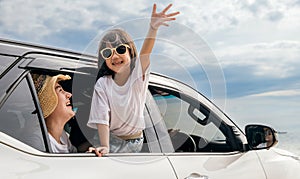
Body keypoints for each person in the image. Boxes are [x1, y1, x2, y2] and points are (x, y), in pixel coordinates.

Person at [87, 3, 179, 156]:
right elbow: (101, 116)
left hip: (134, 141)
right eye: (107, 53)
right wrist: (105, 146)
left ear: (130, 51)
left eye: (120, 49)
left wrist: (153, 28)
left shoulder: (138, 77)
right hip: (110, 140)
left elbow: (145, 53)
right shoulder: (103, 83)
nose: (115, 56)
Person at [32, 73, 77, 153]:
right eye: (60, 90)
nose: (69, 95)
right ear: (49, 101)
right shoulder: (38, 142)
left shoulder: (63, 136)